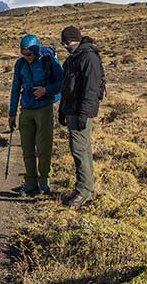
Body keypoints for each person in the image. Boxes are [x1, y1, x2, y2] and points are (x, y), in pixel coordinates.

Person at [8, 34, 64, 197]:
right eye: (23, 54)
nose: (26, 57)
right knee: (27, 148)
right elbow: (15, 89)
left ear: (36, 50)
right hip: (26, 110)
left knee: (44, 148)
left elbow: (62, 83)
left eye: (29, 54)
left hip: (43, 109)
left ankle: (44, 182)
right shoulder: (20, 65)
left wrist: (46, 90)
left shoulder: (49, 62)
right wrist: (12, 114)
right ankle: (31, 183)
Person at [58, 26, 105, 208]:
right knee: (82, 149)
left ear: (74, 39)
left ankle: (83, 191)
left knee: (79, 149)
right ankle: (87, 190)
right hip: (72, 110)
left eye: (67, 42)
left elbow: (90, 89)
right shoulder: (75, 58)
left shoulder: (88, 57)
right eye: (64, 43)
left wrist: (84, 113)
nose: (65, 46)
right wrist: (63, 110)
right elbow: (68, 87)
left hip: (80, 112)